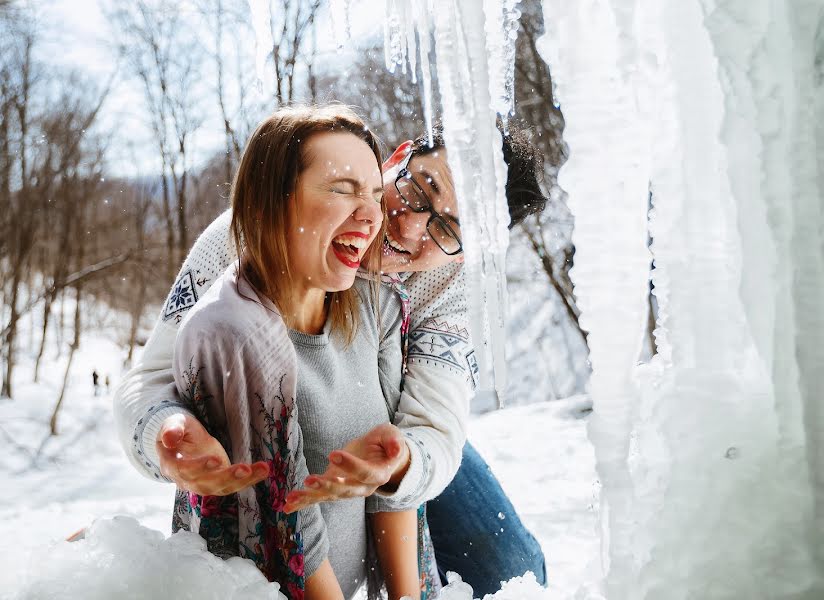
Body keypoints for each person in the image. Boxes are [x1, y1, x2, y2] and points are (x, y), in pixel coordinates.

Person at [114, 119, 548, 597]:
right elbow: (152, 377)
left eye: (448, 229)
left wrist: (401, 465)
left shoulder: (440, 288)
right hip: (268, 419)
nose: (408, 228)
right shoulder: (242, 243)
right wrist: (164, 435)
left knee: (510, 565)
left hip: (384, 421)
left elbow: (434, 426)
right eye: (420, 189)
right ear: (399, 155)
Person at [165, 104, 428, 599]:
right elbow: (289, 532)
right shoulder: (231, 331)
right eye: (341, 190)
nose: (371, 215)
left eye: (374, 193)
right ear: (273, 201)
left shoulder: (378, 304)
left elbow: (391, 471)